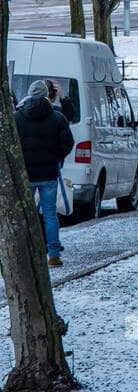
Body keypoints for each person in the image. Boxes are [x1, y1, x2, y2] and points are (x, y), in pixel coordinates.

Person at [14, 80, 74, 268]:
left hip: (26, 174)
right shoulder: (57, 118)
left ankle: (25, 254)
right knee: (49, 213)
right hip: (48, 172)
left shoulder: (17, 118)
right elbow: (68, 143)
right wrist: (55, 157)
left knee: (25, 214)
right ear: (47, 95)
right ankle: (53, 255)